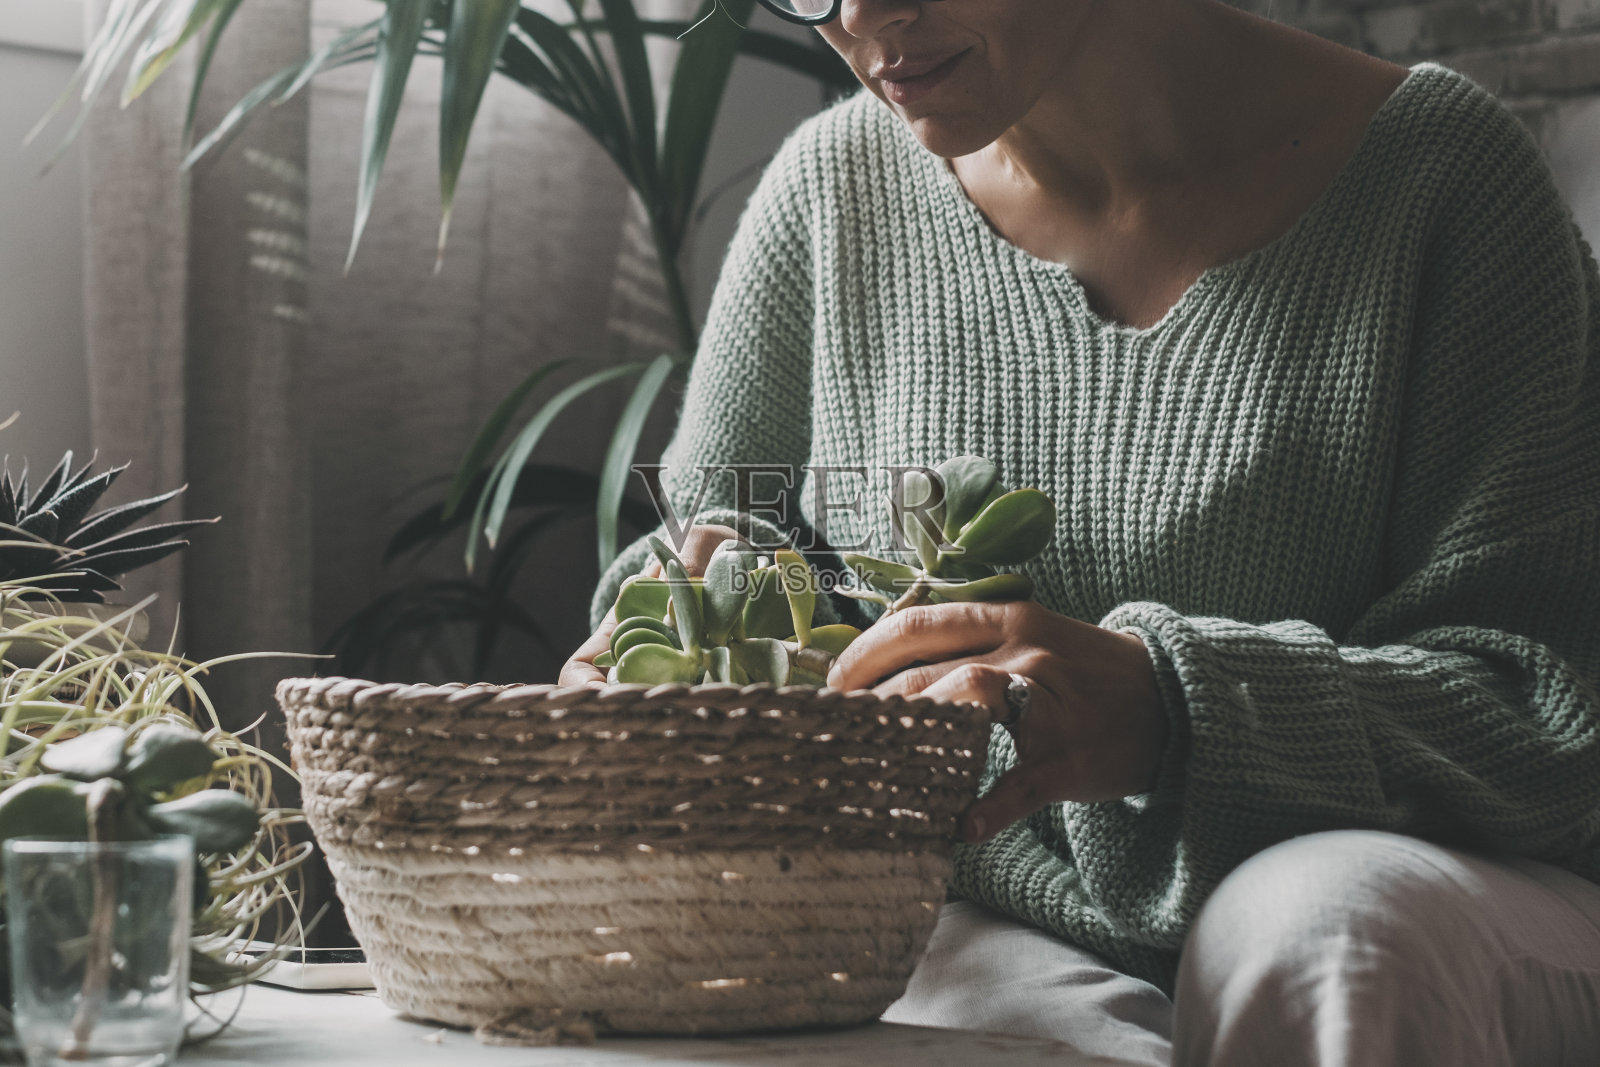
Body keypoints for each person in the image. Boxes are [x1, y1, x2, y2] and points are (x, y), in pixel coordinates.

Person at [560, 0, 1600, 1061]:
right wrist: (673, 636)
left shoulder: (1443, 182)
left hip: (1392, 880)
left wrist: (1177, 712)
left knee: (1319, 926)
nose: (863, 15)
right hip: (980, 892)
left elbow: (1553, 708)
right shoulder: (836, 188)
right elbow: (707, 546)